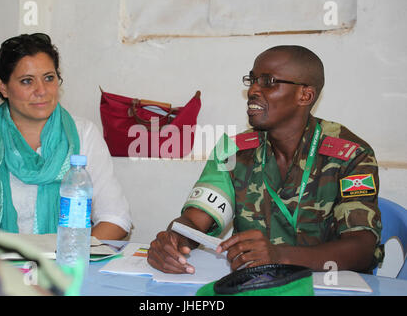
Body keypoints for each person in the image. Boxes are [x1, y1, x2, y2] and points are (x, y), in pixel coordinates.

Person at [147, 45, 383, 274]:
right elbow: (195, 221)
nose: (253, 91)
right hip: (255, 284)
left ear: (305, 95)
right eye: (252, 80)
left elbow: (361, 247)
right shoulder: (232, 151)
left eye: (268, 82)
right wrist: (174, 239)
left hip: (329, 284)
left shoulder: (351, 154)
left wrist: (279, 255)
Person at [0, 33, 132, 239]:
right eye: (26, 81)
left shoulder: (83, 134)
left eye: (49, 78)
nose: (41, 91)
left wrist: (69, 260)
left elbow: (115, 218)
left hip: (67, 266)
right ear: (2, 86)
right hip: (3, 266)